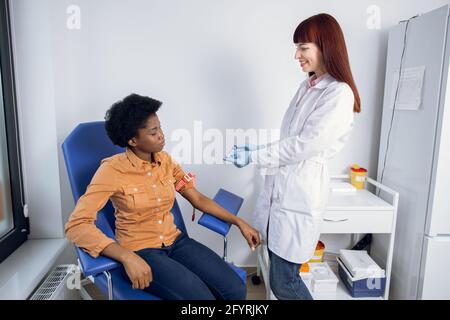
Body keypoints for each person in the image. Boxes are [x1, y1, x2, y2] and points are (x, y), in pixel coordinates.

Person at [65, 93, 261, 300]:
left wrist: (239, 222)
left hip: (176, 241)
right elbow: (77, 225)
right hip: (141, 250)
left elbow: (197, 199)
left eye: (160, 127)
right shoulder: (112, 170)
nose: (161, 135)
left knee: (235, 289)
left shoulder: (165, 161)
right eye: (153, 132)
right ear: (132, 140)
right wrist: (126, 257)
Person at [225, 13, 361, 300]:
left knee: (284, 283)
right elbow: (289, 140)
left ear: (326, 46)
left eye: (303, 47)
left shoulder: (339, 93)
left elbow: (304, 145)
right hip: (283, 191)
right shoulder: (307, 86)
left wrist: (256, 156)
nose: (296, 55)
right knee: (280, 275)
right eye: (296, 47)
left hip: (300, 194)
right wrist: (258, 151)